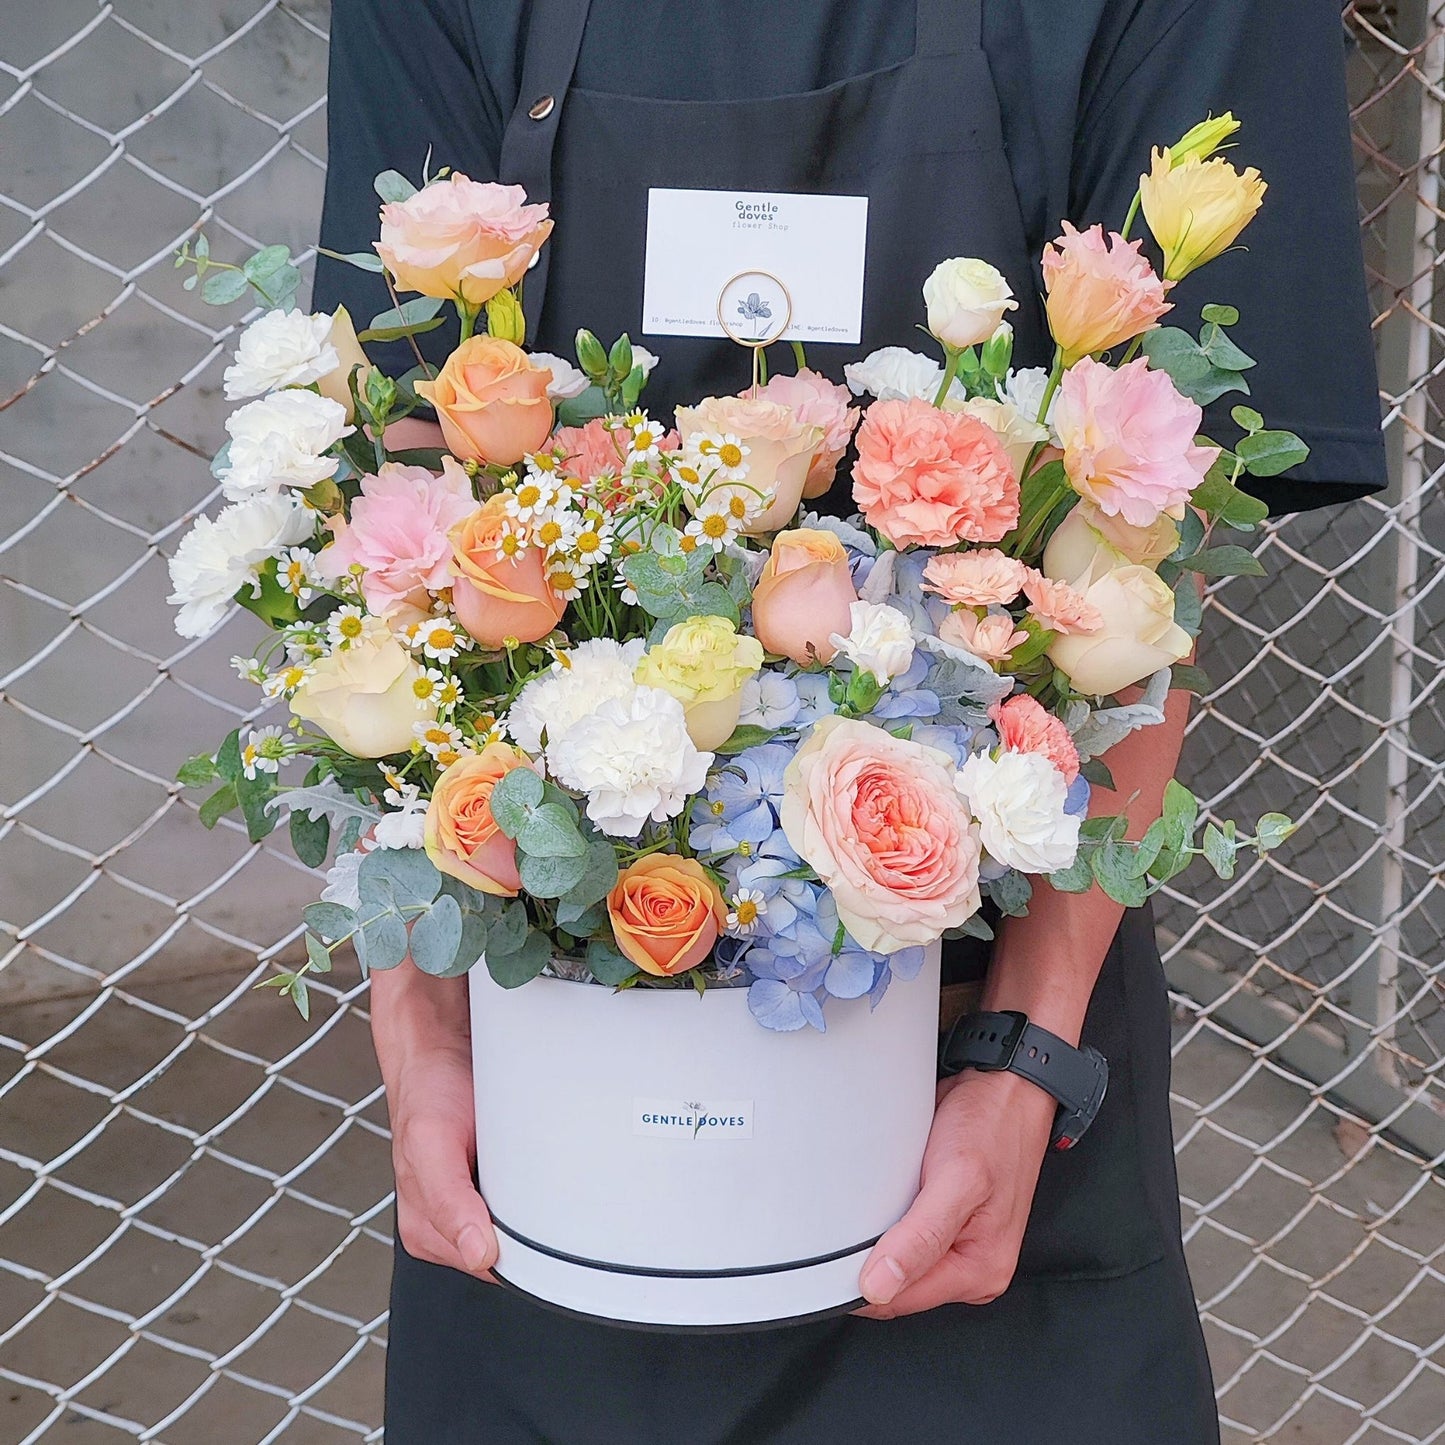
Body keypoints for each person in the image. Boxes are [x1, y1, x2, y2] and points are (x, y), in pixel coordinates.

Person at [313, 2, 1387, 1440]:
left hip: (990, 1038)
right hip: (547, 1055)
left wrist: (1026, 1061)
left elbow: (1152, 533)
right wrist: (425, 1032)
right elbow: (399, 467)